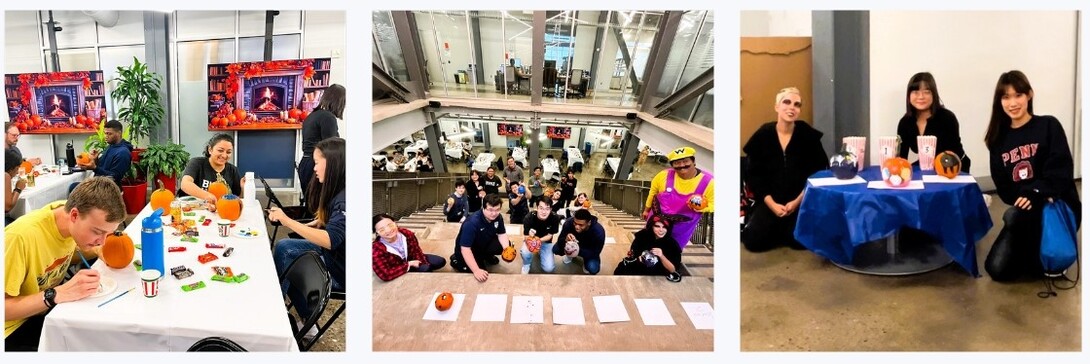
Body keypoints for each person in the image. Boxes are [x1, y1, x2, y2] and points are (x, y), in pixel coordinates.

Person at [4, 177, 125, 351]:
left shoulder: (67, 214)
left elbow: (58, 254)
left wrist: (96, 251)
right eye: (98, 232)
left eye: (108, 234)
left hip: (47, 311)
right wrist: (56, 294)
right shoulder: (19, 238)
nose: (102, 241)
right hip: (13, 328)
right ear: (74, 215)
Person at [983, 70, 1081, 282]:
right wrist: (1029, 196)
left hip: (1056, 203)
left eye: (1018, 95)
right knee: (996, 269)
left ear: (1029, 95)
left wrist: (1037, 192)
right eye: (1006, 97)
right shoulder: (998, 140)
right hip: (1025, 210)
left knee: (1012, 216)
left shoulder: (1048, 125)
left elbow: (1061, 171)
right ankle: (1036, 252)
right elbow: (1006, 190)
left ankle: (1049, 252)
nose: (1013, 103)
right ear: (999, 101)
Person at [268, 137, 346, 320]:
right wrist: (321, 222)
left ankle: (276, 314)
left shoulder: (344, 199)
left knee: (291, 263)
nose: (314, 168)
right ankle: (301, 315)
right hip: (334, 255)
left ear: (333, 163)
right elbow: (338, 229)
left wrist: (286, 220)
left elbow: (331, 240)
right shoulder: (339, 191)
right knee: (284, 247)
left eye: (317, 163)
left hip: (339, 271)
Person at [741, 87, 827, 252]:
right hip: (770, 200)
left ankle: (786, 229)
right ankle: (779, 228)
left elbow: (817, 173)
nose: (791, 107)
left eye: (797, 104)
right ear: (777, 107)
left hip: (799, 200)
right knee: (754, 243)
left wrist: (796, 203)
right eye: (786, 102)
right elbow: (754, 175)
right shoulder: (763, 135)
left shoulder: (808, 136)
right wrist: (772, 204)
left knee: (800, 243)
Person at [643, 145, 716, 250]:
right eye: (677, 163)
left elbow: (715, 204)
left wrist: (703, 207)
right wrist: (646, 210)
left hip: (681, 227)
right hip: (656, 222)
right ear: (672, 165)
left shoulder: (710, 182)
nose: (682, 165)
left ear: (693, 161)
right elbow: (652, 192)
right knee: (648, 246)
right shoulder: (662, 175)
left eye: (686, 161)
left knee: (671, 252)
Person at [896, 72, 971, 172]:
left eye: (926, 92)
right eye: (916, 92)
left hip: (953, 166)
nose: (921, 97)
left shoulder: (947, 118)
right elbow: (901, 158)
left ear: (934, 94)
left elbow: (953, 153)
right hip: (928, 168)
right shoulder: (905, 122)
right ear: (909, 95)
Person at [450, 194, 514, 282]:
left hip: (482, 243)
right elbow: (465, 249)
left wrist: (507, 250)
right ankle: (456, 260)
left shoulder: (498, 217)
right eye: (490, 210)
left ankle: (485, 256)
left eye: (497, 210)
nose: (494, 213)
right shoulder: (472, 223)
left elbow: (501, 234)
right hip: (468, 250)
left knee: (505, 245)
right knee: (482, 275)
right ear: (483, 207)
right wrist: (476, 270)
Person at [298, 84, 344, 196]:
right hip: (316, 165)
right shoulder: (328, 117)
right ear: (339, 102)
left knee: (311, 203)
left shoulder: (312, 115)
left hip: (305, 164)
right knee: (319, 205)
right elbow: (332, 149)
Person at [372, 214, 446, 281]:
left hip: (412, 259)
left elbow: (416, 251)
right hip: (397, 267)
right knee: (425, 269)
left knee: (440, 262)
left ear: (395, 223)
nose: (388, 230)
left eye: (390, 225)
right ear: (377, 233)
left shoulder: (406, 234)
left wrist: (423, 263)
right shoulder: (376, 250)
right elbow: (385, 275)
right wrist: (408, 265)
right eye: (382, 230)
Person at [178, 133, 245, 206]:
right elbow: (185, 184)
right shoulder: (196, 163)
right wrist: (207, 196)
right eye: (220, 150)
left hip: (218, 212)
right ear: (210, 149)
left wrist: (243, 188)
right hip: (191, 210)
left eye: (228, 152)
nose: (224, 155)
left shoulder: (233, 170)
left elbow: (237, 200)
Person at [614, 216, 682, 278]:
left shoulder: (672, 245)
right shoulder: (642, 236)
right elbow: (632, 255)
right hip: (638, 269)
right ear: (652, 226)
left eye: (664, 227)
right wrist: (639, 258)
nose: (661, 230)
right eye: (657, 226)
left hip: (658, 275)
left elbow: (672, 269)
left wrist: (661, 256)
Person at [74, 120, 133, 189]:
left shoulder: (123, 152)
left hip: (109, 188)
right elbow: (103, 168)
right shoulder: (111, 146)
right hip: (99, 183)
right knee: (74, 186)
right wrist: (95, 159)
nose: (106, 136)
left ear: (119, 133)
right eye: (105, 133)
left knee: (74, 187)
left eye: (109, 134)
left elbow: (115, 177)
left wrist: (95, 168)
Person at [552, 208, 606, 275]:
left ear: (589, 223)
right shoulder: (568, 223)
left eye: (581, 225)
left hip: (587, 249)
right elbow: (560, 240)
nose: (577, 227)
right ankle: (570, 254)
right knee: (556, 249)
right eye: (575, 223)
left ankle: (584, 259)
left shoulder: (598, 232)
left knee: (593, 268)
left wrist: (577, 251)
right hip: (571, 246)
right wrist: (565, 240)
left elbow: (595, 252)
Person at [519, 198, 561, 274]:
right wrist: (530, 237)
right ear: (537, 207)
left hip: (546, 242)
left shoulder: (555, 218)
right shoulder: (529, 217)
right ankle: (527, 264)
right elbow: (525, 236)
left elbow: (550, 235)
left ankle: (541, 252)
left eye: (547, 209)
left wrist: (538, 241)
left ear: (551, 209)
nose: (544, 212)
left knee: (549, 269)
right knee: (525, 252)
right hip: (531, 241)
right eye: (541, 208)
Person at [5, 149, 27, 225]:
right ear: (11, 169)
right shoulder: (5, 175)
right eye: (17, 169)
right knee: (23, 222)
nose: (17, 172)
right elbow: (7, 207)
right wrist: (18, 189)